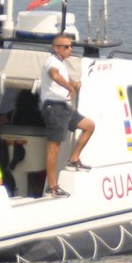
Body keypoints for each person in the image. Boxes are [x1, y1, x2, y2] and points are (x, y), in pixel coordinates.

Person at [40, 34, 95, 197]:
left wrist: (74, 84)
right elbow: (54, 75)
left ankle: (74, 159)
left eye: (71, 46)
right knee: (53, 148)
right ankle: (52, 186)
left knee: (89, 126)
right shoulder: (52, 61)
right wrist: (70, 89)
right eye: (66, 46)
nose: (69, 49)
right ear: (55, 48)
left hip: (64, 107)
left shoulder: (61, 63)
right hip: (54, 107)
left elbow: (65, 77)